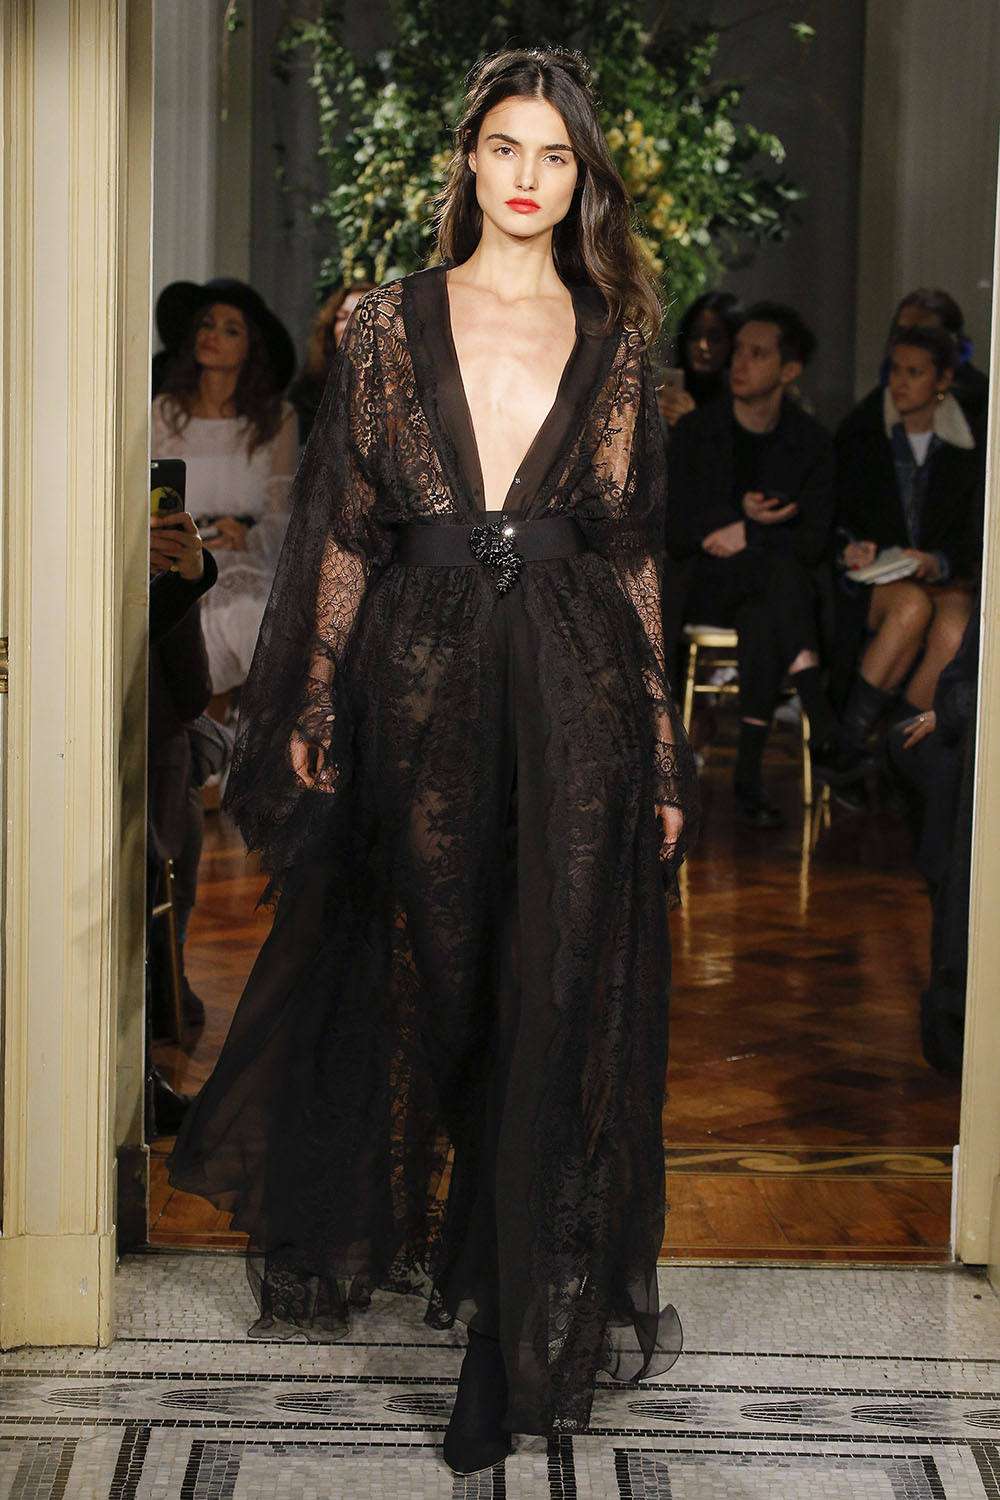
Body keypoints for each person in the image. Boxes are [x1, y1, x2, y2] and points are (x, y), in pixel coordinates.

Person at [168, 47, 698, 1472]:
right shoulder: (389, 324)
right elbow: (346, 525)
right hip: (420, 676)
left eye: (556, 157)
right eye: (507, 148)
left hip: (580, 678)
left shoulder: (616, 333)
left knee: (557, 984)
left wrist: (659, 739)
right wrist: (316, 690)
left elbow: (633, 552)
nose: (528, 178)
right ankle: (452, 1243)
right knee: (443, 982)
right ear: (468, 159)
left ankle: (503, 1330)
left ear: (581, 180)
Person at [665, 302, 867, 828]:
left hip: (770, 594)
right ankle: (822, 721)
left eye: (758, 354)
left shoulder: (811, 442)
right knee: (780, 576)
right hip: (704, 585)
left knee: (766, 610)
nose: (739, 362)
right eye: (740, 351)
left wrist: (749, 534)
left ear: (789, 370)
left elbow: (815, 541)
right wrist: (743, 521)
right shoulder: (697, 431)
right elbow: (675, 530)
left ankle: (748, 778)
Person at [151, 278, 299, 708]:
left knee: (253, 616)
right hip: (179, 561)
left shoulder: (277, 419)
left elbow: (284, 516)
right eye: (206, 324)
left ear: (250, 348)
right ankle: (207, 738)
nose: (212, 335)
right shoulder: (163, 413)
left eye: (230, 330)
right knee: (190, 627)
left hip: (245, 559)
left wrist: (247, 536)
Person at [834, 324, 983, 750]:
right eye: (895, 370)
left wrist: (938, 562)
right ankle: (851, 745)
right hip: (874, 581)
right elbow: (833, 514)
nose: (900, 382)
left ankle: (900, 753)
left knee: (955, 629)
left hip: (945, 577)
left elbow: (975, 536)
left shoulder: (970, 447)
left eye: (915, 372)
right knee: (911, 608)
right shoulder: (863, 434)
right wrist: (850, 546)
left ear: (943, 380)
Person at [880, 287, 989, 440]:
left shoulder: (982, 403)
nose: (909, 343)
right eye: (902, 332)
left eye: (924, 335)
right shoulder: (869, 418)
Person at [289, 282, 375, 444]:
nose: (350, 325)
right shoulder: (306, 393)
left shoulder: (401, 392)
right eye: (342, 317)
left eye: (362, 316)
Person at [656, 288, 744, 427]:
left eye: (714, 338)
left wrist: (695, 422)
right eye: (695, 336)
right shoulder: (671, 385)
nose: (702, 346)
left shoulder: (741, 398)